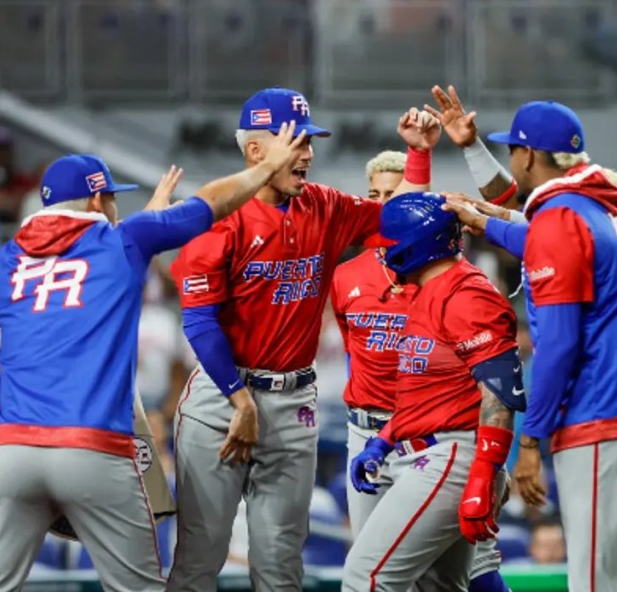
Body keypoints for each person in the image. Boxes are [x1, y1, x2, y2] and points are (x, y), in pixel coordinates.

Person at [0, 131, 305, 591]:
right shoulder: (124, 241)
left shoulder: (11, 262)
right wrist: (266, 168)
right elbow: (208, 204)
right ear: (96, 200)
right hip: (91, 451)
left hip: (10, 456)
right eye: (110, 198)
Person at [167, 87, 433, 591]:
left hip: (294, 402)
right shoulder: (216, 215)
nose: (309, 153)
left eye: (311, 141)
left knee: (282, 563)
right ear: (255, 151)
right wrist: (239, 400)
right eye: (297, 141)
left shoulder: (324, 205)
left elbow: (403, 224)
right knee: (200, 558)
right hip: (221, 399)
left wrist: (418, 154)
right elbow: (199, 322)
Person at [484, 100, 617, 591]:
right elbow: (540, 240)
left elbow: (559, 345)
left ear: (528, 156)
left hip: (604, 418)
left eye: (512, 150)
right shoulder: (590, 208)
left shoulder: (557, 219)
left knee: (595, 584)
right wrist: (482, 220)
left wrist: (530, 440)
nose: (511, 160)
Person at [330, 150, 510, 592]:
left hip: (453, 455)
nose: (382, 252)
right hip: (419, 447)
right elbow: (422, 392)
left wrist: (485, 472)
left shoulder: (468, 294)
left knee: (365, 577)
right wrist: (385, 439)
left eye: (389, 244)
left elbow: (501, 395)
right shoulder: (424, 292)